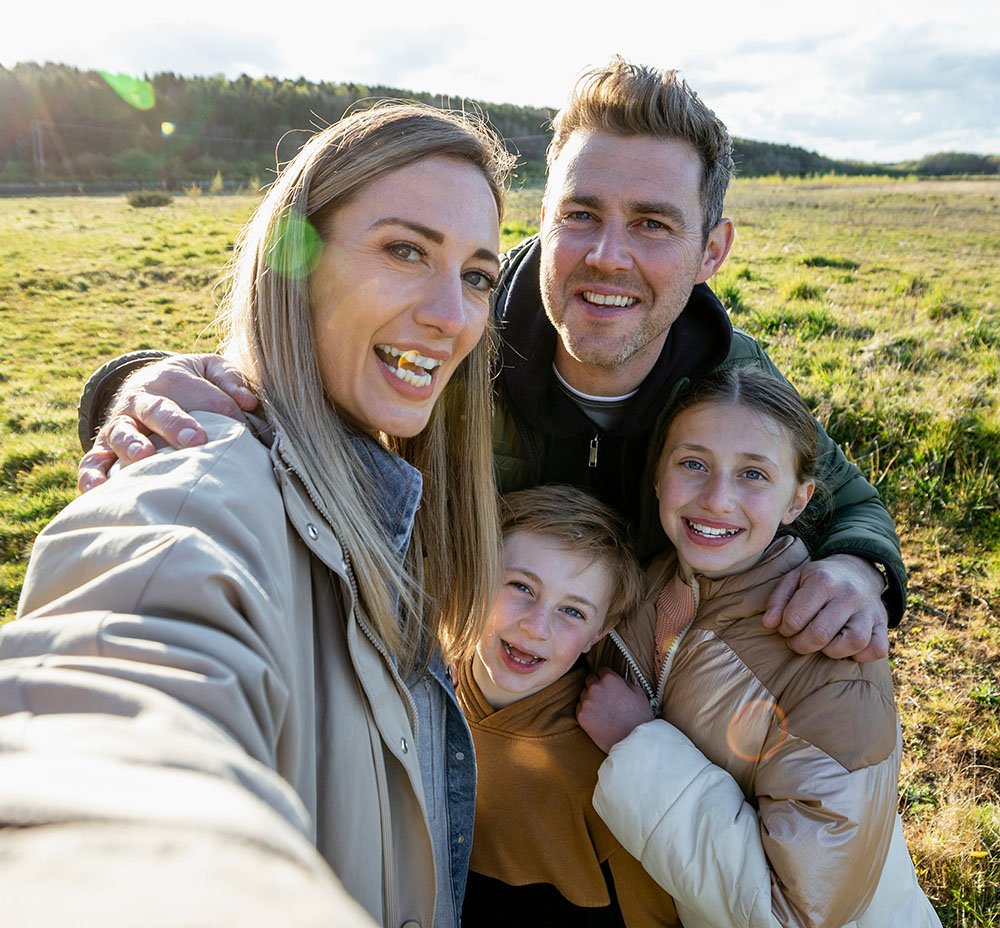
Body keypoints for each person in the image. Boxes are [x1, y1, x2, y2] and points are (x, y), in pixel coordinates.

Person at [74, 56, 904, 668]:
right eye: (581, 214)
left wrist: (859, 569)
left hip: (644, 720)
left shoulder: (734, 382)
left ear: (711, 249)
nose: (607, 257)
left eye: (653, 224)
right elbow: (300, 375)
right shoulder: (457, 340)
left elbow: (842, 497)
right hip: (464, 711)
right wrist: (139, 386)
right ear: (542, 218)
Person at [0, 102, 515, 928]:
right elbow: (108, 698)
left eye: (476, 275)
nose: (450, 316)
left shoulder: (386, 501)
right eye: (404, 251)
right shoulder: (194, 487)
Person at [577, 365, 961, 928]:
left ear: (798, 500)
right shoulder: (641, 594)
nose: (717, 499)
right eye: (693, 463)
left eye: (753, 474)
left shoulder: (833, 650)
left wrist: (638, 746)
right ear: (657, 473)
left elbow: (801, 907)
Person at [455, 484, 698, 928]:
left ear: (598, 634)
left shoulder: (596, 758)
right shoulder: (426, 688)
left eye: (572, 612)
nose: (535, 626)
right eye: (521, 586)